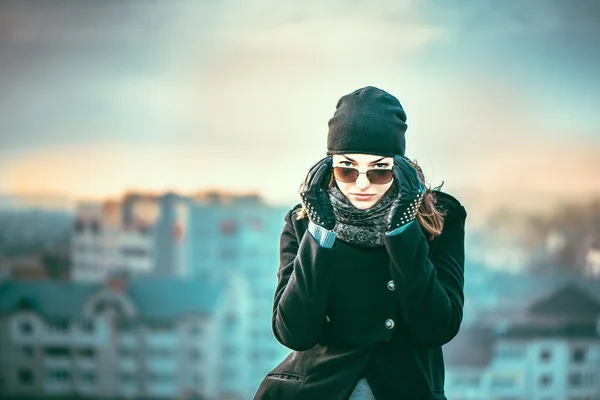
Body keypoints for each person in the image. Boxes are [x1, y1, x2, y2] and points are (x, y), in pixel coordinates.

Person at [253, 86, 467, 400]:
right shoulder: (304, 221)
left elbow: (437, 328)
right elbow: (293, 333)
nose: (362, 184)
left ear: (399, 166)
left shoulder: (439, 218)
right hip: (316, 389)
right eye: (347, 169)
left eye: (379, 170)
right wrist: (320, 233)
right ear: (329, 166)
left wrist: (402, 230)